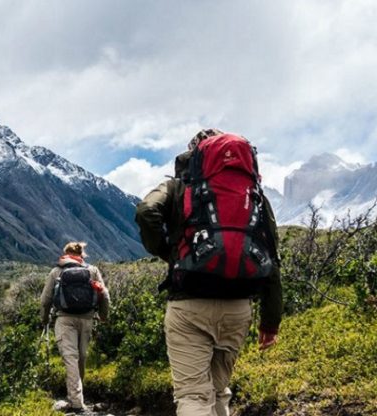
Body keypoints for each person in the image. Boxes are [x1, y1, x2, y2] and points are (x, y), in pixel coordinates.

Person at [135, 129, 282, 416]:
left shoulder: (179, 187)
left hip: (189, 304)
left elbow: (145, 212)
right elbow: (272, 257)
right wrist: (271, 322)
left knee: (193, 396)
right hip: (239, 308)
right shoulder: (254, 195)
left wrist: (168, 252)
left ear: (195, 156)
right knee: (218, 391)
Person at [40, 241, 110, 413]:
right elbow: (104, 294)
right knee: (81, 358)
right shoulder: (92, 271)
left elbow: (45, 300)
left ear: (65, 253)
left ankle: (76, 403)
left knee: (70, 358)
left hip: (64, 320)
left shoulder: (56, 271)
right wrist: (103, 316)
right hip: (87, 319)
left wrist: (44, 320)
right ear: (82, 255)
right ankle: (77, 398)